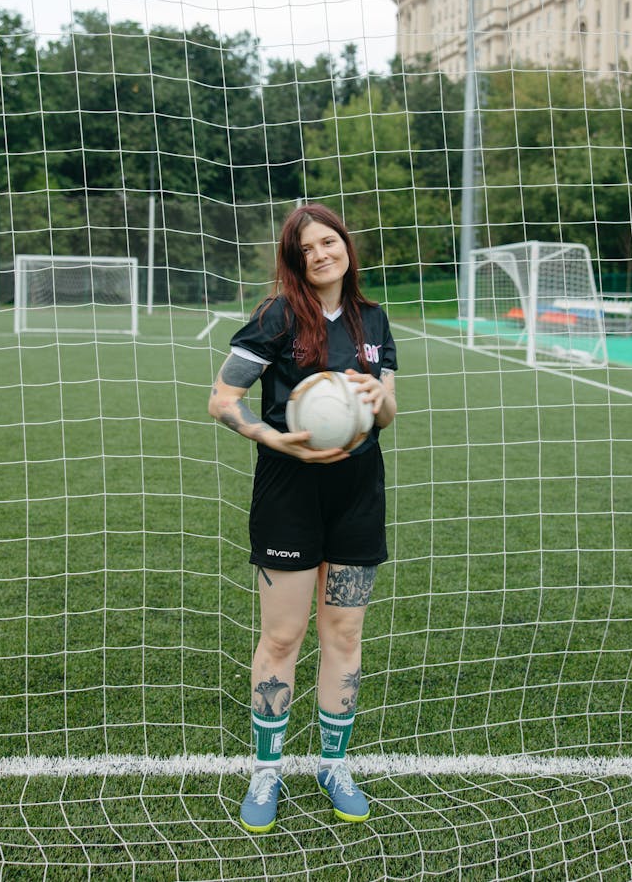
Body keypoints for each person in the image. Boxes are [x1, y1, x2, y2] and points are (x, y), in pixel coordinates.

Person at [208, 203, 397, 833]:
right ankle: (267, 770)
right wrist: (271, 435)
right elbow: (222, 399)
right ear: (295, 260)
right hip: (289, 497)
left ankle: (333, 764)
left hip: (357, 498)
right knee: (283, 638)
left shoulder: (374, 319)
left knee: (343, 636)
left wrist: (378, 398)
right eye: (307, 248)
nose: (321, 254)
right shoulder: (276, 317)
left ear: (345, 244)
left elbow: (388, 409)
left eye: (329, 242)